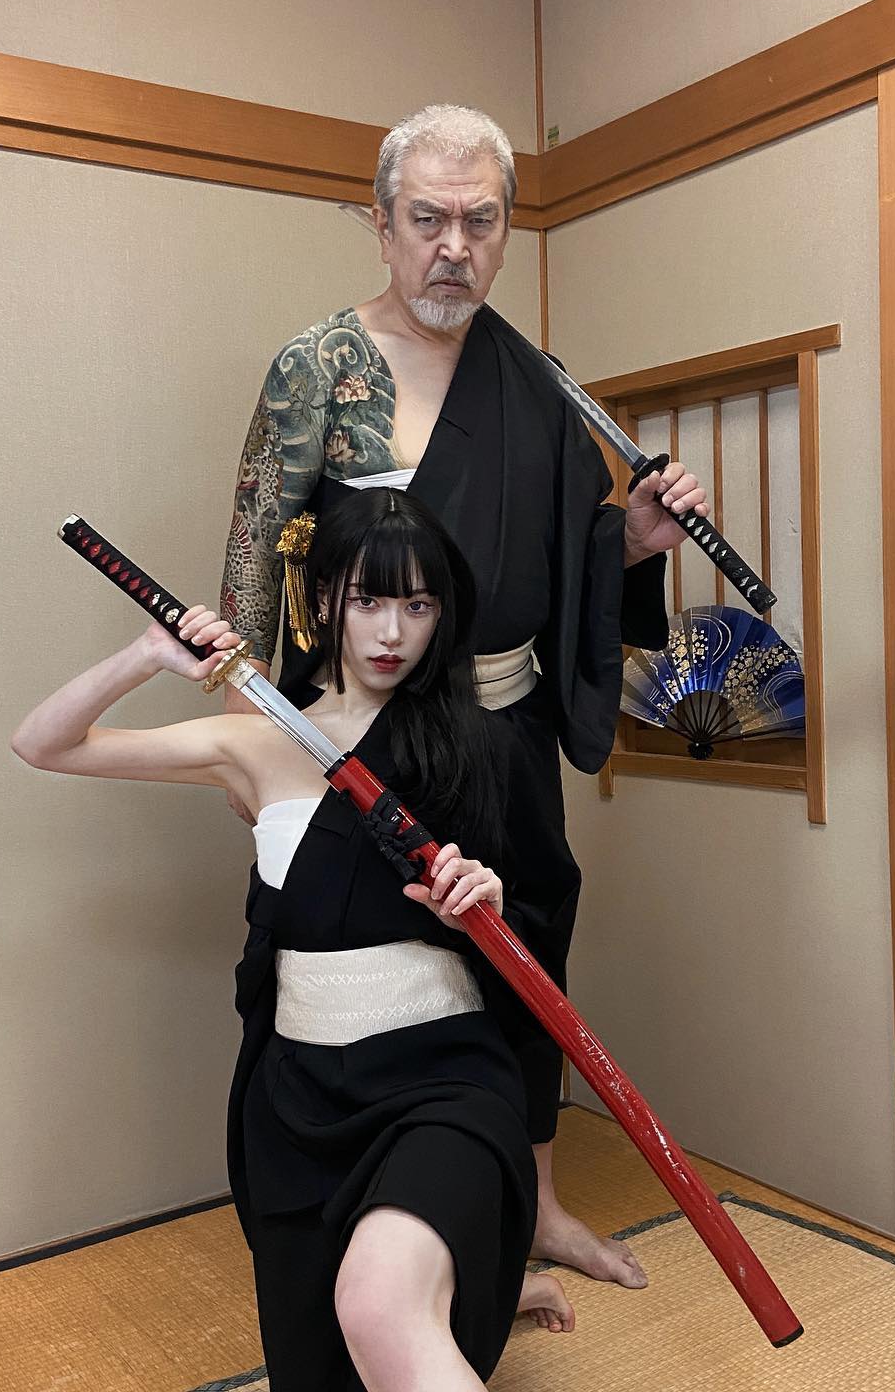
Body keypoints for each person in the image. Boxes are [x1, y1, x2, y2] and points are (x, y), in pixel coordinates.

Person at [219, 103, 710, 1288]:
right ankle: (382, 1227)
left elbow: (559, 551)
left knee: (524, 953)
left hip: (505, 722)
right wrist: (251, 741)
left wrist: (634, 542)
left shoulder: (531, 377)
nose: (454, 248)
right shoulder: (318, 368)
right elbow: (254, 564)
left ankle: (533, 1204)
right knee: (390, 966)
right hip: (364, 733)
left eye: (479, 222)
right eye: (428, 220)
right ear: (381, 225)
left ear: (504, 231)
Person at [13, 489, 573, 1391]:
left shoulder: (482, 746)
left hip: (442, 1080)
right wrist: (148, 655)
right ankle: (488, 1288)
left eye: (418, 605)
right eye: (367, 600)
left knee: (381, 1307)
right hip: (301, 1098)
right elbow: (44, 743)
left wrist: (489, 905)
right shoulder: (257, 740)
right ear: (323, 602)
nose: (391, 632)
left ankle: (468, 1277)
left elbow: (539, 925)